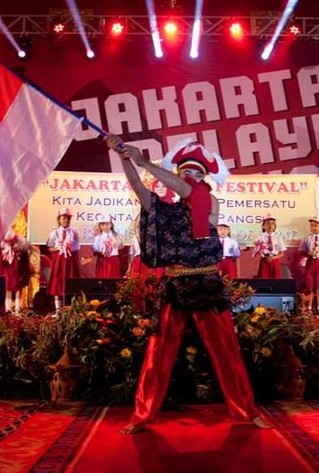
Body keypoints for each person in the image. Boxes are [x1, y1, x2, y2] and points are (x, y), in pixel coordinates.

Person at [106, 135, 270, 434]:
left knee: (227, 353)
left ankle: (246, 412)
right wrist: (123, 157)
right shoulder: (166, 212)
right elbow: (138, 188)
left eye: (197, 174)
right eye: (186, 174)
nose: (192, 179)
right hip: (175, 285)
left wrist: (143, 160)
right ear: (176, 178)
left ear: (204, 180)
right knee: (158, 354)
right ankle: (143, 415)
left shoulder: (209, 201)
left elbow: (187, 191)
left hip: (207, 284)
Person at [46, 208, 80, 311]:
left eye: (68, 218)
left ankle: (69, 308)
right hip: (59, 260)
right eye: (64, 218)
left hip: (70, 261)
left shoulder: (74, 232)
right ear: (59, 219)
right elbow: (50, 248)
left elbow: (77, 248)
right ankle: (58, 309)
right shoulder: (54, 232)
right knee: (58, 282)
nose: (66, 220)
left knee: (70, 283)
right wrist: (58, 248)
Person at [298, 216, 319, 314]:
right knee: (310, 287)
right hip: (311, 264)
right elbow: (301, 251)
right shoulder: (307, 238)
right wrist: (308, 253)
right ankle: (309, 307)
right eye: (312, 226)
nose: (313, 228)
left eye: (316, 225)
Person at [0, 226, 30, 314]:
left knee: (18, 287)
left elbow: (26, 247)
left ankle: (17, 308)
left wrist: (18, 250)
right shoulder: (3, 242)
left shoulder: (20, 240)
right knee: (8, 287)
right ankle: (8, 308)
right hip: (9, 266)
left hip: (19, 265)